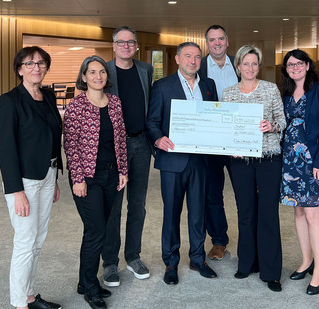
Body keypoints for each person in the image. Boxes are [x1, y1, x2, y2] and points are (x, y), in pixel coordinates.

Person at [0, 46, 63, 309]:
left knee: (38, 238)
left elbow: (51, 137)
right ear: (20, 69)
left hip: (46, 175)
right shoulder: (9, 101)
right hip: (23, 181)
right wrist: (16, 191)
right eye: (30, 63)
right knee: (25, 241)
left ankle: (30, 295)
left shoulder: (47, 96)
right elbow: (7, 150)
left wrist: (54, 177)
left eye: (41, 63)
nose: (36, 67)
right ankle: (18, 303)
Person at [146, 42, 219, 285]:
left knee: (198, 212)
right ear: (177, 59)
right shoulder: (162, 86)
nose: (193, 61)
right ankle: (171, 262)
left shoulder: (209, 86)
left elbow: (215, 120)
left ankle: (198, 258)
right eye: (188, 56)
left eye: (198, 57)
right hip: (172, 161)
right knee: (172, 213)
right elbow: (152, 121)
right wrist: (158, 138)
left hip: (201, 161)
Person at [64, 55, 129, 309]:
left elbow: (121, 139)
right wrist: (78, 178)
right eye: (92, 72)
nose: (98, 76)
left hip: (112, 174)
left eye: (102, 72)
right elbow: (70, 145)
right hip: (87, 177)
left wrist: (123, 170)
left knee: (97, 230)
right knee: (97, 231)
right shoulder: (76, 106)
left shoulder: (114, 102)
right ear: (83, 77)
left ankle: (84, 280)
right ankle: (91, 289)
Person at [221, 45, 286, 292]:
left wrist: (272, 125)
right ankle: (247, 263)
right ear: (237, 67)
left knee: (268, 214)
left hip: (269, 159)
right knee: (245, 212)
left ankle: (271, 271)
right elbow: (225, 128)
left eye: (254, 64)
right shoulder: (228, 93)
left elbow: (283, 120)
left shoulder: (270, 89)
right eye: (245, 64)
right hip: (240, 161)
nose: (250, 68)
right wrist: (229, 146)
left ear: (259, 66)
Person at [279, 49, 319, 296]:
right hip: (291, 161)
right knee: (299, 212)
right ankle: (305, 261)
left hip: (314, 160)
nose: (294, 67)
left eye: (298, 63)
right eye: (290, 65)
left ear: (307, 65)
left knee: (314, 216)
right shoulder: (286, 92)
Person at [102, 25, 154, 287]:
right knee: (113, 207)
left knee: (138, 206)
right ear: (114, 45)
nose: (126, 46)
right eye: (121, 42)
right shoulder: (104, 71)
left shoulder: (146, 70)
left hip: (142, 145)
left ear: (136, 46)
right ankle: (110, 262)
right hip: (114, 148)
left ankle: (133, 256)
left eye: (130, 42)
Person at [198, 25, 239, 261]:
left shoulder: (241, 63)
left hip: (238, 140)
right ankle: (219, 241)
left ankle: (251, 238)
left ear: (227, 41)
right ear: (207, 43)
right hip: (210, 141)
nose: (216, 43)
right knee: (212, 194)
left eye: (220, 38)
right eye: (212, 39)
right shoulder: (199, 67)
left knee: (245, 193)